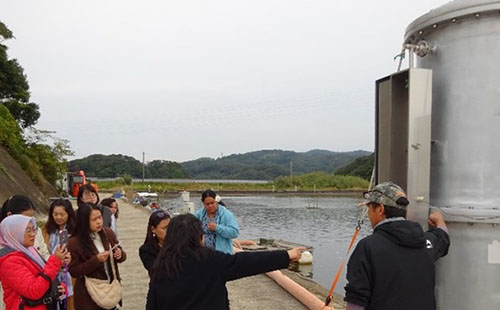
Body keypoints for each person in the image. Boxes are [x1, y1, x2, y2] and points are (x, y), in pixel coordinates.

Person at [146, 214, 304, 310]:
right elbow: (250, 262)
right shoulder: (210, 260)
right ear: (198, 236)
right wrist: (286, 255)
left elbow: (152, 304)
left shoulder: (161, 265)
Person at [344, 182, 450, 310]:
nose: (368, 214)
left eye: (370, 208)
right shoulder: (427, 242)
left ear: (380, 209)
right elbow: (443, 237)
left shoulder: (368, 247)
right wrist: (439, 220)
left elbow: (357, 299)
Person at [0, 214, 70, 310]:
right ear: (14, 233)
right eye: (28, 230)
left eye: (33, 229)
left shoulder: (29, 251)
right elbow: (33, 291)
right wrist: (55, 261)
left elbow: (42, 275)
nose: (33, 234)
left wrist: (57, 287)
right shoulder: (10, 262)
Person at [67, 204, 126, 309]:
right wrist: (96, 260)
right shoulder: (74, 242)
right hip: (89, 295)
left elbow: (120, 252)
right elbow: (74, 271)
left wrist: (120, 254)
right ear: (84, 222)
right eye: (94, 219)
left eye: (100, 217)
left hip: (110, 289)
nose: (99, 222)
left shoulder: (108, 233)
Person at [41, 199, 77, 310]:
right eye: (55, 214)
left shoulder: (75, 230)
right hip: (51, 271)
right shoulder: (46, 230)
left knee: (70, 301)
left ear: (69, 214)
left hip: (69, 273)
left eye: (62, 214)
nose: (58, 217)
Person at [0, 195, 51, 260]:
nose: (29, 223)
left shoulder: (36, 231)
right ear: (10, 215)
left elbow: (45, 256)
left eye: (31, 218)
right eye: (25, 219)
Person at [195, 190, 239, 254]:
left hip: (222, 255)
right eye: (207, 204)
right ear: (203, 203)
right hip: (203, 254)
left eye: (212, 203)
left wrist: (217, 228)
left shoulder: (226, 214)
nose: (210, 206)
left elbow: (234, 233)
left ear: (216, 201)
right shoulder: (199, 215)